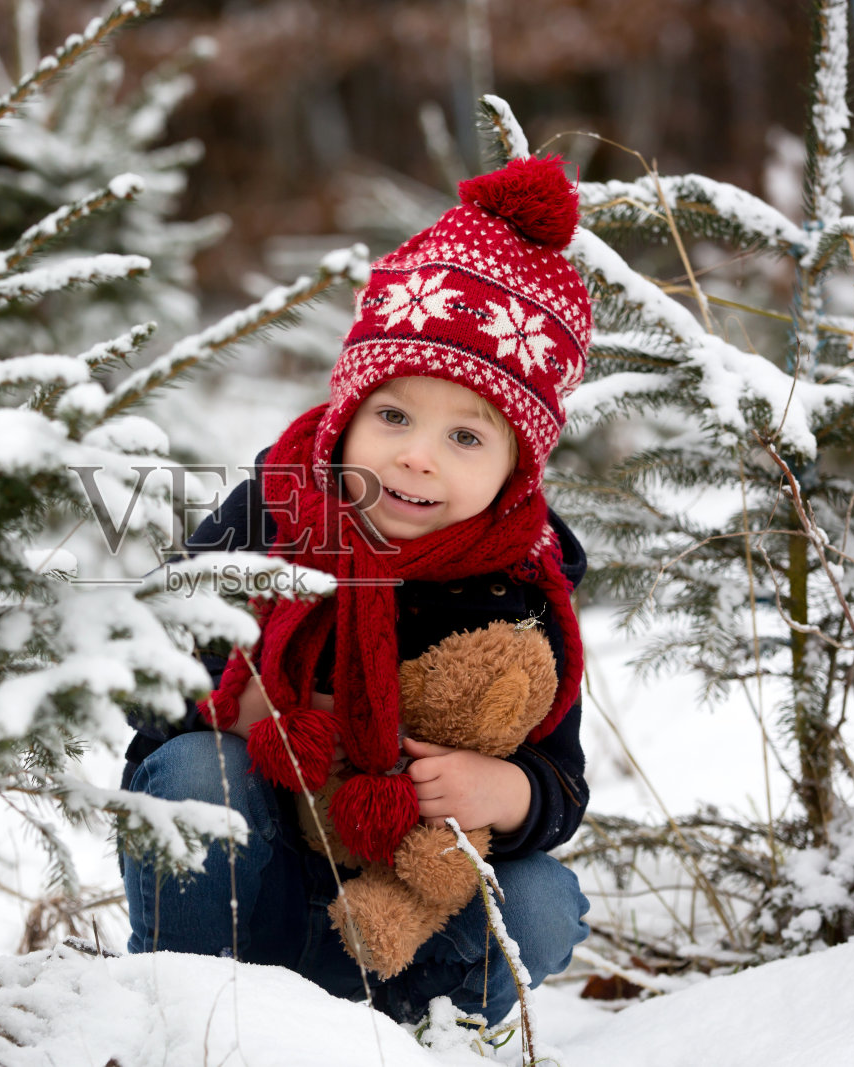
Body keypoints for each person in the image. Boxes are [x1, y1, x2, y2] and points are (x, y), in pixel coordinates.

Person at [119, 154, 593, 1028]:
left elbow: (562, 775)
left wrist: (507, 791)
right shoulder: (273, 508)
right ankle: (181, 1015)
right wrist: (230, 707)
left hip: (398, 922)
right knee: (193, 772)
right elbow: (149, 670)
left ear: (518, 465)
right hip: (248, 895)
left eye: (464, 436)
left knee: (539, 902)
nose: (418, 456)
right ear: (348, 409)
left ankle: (410, 1031)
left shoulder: (525, 580)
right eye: (394, 415)